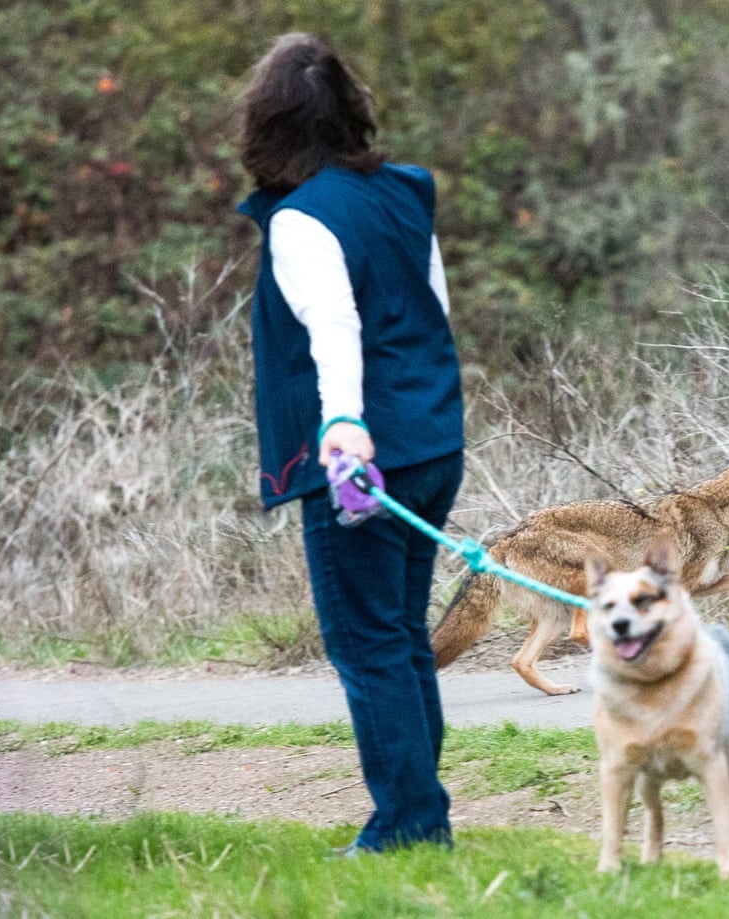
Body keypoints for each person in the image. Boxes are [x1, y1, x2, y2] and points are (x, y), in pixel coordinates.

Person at [235, 33, 465, 854]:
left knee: (369, 643)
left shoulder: (302, 218)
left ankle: (409, 824)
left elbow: (336, 327)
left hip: (366, 463)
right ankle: (420, 814)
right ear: (347, 110)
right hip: (433, 442)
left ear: (268, 123)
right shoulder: (403, 190)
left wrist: (343, 429)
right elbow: (433, 311)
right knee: (398, 636)